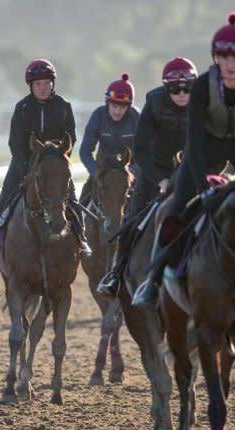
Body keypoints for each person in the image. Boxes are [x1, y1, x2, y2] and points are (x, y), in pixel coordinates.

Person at [132, 12, 235, 307]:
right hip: (206, 152)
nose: (231, 62)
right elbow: (195, 142)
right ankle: (154, 279)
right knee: (174, 210)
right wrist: (204, 186)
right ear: (215, 58)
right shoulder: (200, 87)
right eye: (224, 55)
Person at [97, 58, 197, 297]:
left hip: (193, 173)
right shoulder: (154, 102)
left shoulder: (204, 103)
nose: (182, 94)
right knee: (131, 221)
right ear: (165, 88)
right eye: (175, 89)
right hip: (156, 172)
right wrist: (160, 180)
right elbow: (140, 151)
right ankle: (116, 275)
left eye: (188, 88)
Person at [0, 58, 88, 262]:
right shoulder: (22, 108)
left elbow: (70, 139)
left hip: (55, 164)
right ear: (31, 86)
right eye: (38, 84)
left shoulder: (64, 106)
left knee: (71, 197)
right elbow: (15, 143)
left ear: (53, 84)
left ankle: (82, 239)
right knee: (4, 197)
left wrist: (59, 163)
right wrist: (26, 168)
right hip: (25, 164)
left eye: (47, 83)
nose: (43, 88)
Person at [77, 72, 141, 207]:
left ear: (128, 107)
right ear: (107, 103)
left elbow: (145, 153)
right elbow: (85, 152)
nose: (117, 111)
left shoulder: (136, 117)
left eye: (122, 107)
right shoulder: (98, 115)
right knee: (81, 206)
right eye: (114, 106)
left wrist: (131, 175)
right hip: (102, 171)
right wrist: (96, 173)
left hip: (130, 173)